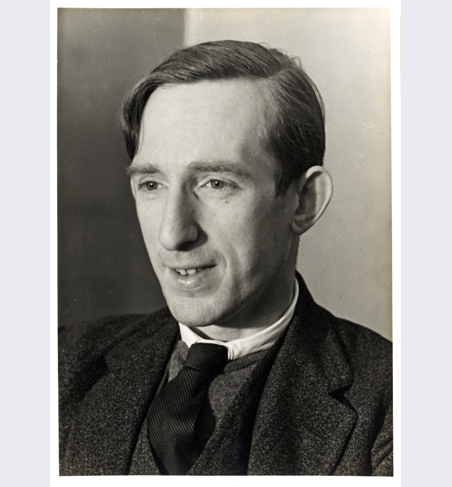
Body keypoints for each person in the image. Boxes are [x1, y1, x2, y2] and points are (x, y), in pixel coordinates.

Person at [59, 40, 392, 476]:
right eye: (152, 184)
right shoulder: (59, 365)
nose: (172, 234)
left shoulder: (395, 403)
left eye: (216, 183)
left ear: (305, 201)